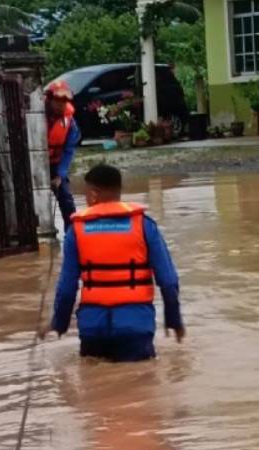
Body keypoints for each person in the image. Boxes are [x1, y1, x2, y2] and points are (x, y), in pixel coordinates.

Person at [43, 164, 184, 361]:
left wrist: (60, 324)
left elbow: (66, 288)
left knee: (94, 384)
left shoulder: (76, 231)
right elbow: (168, 281)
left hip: (93, 329)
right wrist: (174, 320)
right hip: (135, 327)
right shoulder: (144, 225)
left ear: (93, 194)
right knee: (139, 384)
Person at [45, 80, 82, 226]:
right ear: (49, 99)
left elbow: (69, 151)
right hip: (33, 165)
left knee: (66, 198)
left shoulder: (70, 123)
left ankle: (72, 233)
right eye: (58, 99)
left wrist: (60, 175)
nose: (61, 103)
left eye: (65, 100)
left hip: (56, 165)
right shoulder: (34, 116)